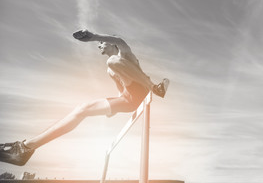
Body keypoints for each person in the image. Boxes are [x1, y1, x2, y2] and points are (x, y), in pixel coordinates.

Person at [0, 30, 169, 166]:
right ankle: (26, 149)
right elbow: (120, 91)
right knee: (81, 109)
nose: (99, 46)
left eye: (101, 43)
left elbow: (120, 40)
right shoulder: (110, 70)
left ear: (110, 43)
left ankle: (154, 87)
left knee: (112, 61)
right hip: (129, 99)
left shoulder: (125, 54)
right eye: (98, 43)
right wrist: (112, 109)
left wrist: (94, 37)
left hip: (141, 87)